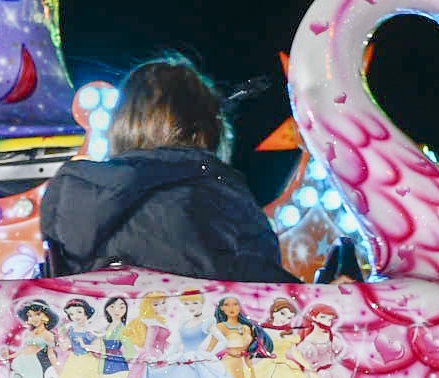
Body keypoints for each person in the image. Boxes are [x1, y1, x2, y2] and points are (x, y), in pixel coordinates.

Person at [40, 60, 288, 280]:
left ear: (121, 121)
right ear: (203, 129)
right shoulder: (220, 189)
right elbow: (265, 288)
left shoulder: (74, 189)